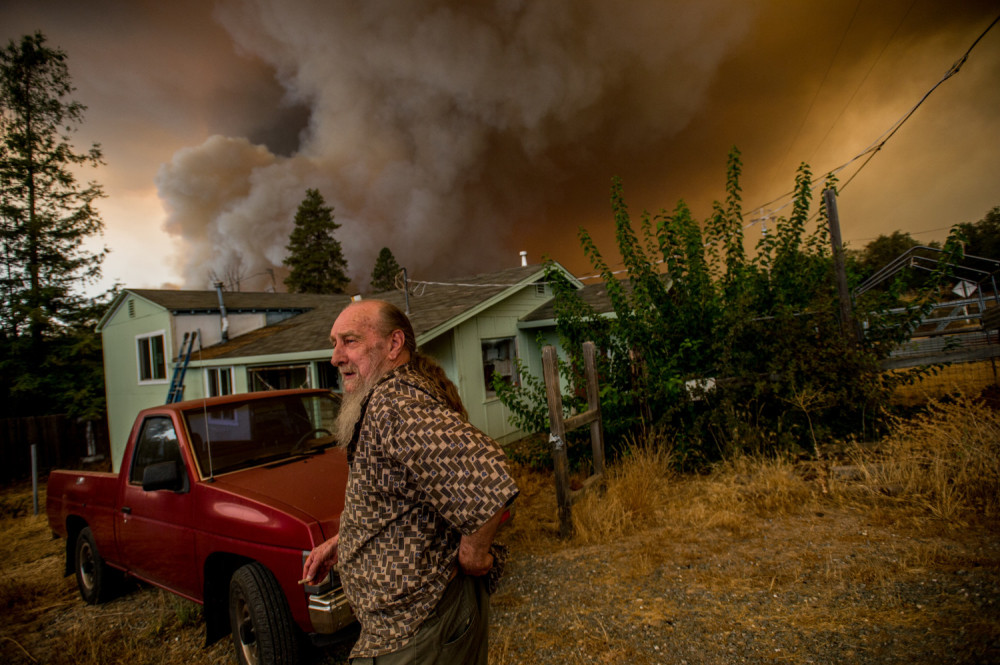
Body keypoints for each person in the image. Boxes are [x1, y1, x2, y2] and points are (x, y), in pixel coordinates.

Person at [302, 299, 519, 665]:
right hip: (403, 631)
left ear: (393, 344)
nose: (335, 357)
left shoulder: (394, 406)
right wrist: (346, 540)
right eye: (333, 343)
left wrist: (473, 556)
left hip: (419, 631)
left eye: (350, 341)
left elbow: (490, 480)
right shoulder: (385, 398)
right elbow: (406, 496)